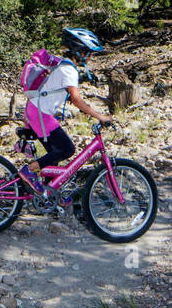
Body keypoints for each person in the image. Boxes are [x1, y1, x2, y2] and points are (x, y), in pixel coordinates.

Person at [19, 27, 113, 201]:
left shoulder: (63, 64)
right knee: (67, 149)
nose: (90, 58)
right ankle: (29, 170)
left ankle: (49, 195)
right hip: (40, 114)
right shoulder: (69, 70)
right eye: (89, 53)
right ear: (81, 51)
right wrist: (101, 116)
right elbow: (77, 100)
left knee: (52, 156)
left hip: (36, 111)